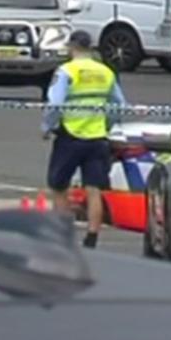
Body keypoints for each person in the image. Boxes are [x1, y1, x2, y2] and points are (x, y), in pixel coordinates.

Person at [42, 31, 126, 248]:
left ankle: (62, 234)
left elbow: (55, 104)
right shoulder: (105, 72)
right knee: (93, 189)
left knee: (59, 186)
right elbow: (119, 105)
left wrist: (47, 126)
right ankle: (92, 236)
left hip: (70, 135)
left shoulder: (66, 71)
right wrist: (107, 124)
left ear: (71, 47)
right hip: (97, 136)